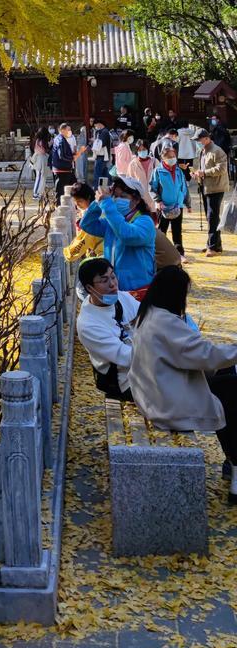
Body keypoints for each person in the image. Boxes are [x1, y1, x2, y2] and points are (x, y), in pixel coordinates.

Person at [130, 266, 237, 501]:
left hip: (152, 392)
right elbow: (204, 354)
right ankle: (235, 463)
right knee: (232, 392)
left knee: (227, 382)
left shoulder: (148, 313)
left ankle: (232, 461)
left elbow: (195, 354)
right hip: (167, 403)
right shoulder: (166, 323)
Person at [80, 174, 156, 300]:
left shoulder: (145, 222)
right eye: (115, 196)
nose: (117, 200)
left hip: (139, 290)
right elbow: (87, 224)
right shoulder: (113, 222)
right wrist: (99, 202)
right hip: (115, 289)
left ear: (136, 200)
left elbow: (127, 235)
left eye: (123, 197)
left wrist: (107, 205)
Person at [76, 257, 139, 400]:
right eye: (104, 280)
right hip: (126, 381)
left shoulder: (122, 298)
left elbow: (148, 317)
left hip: (145, 365)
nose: (112, 284)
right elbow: (126, 357)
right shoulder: (88, 324)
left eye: (113, 277)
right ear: (89, 288)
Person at [191, 128, 229, 256]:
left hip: (216, 187)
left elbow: (222, 168)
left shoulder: (217, 150)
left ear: (207, 138)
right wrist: (196, 173)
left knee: (212, 216)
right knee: (211, 216)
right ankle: (215, 245)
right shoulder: (203, 150)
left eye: (199, 140)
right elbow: (202, 168)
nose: (198, 142)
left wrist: (204, 173)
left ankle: (212, 246)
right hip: (206, 187)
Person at [150, 141, 190, 259]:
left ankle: (179, 253)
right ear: (163, 158)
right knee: (162, 231)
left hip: (178, 205)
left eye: (174, 156)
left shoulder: (178, 171)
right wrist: (158, 201)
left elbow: (183, 187)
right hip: (164, 207)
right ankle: (160, 253)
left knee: (177, 231)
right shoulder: (158, 171)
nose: (172, 159)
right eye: (169, 157)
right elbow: (152, 188)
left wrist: (187, 203)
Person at [63, 183, 104, 262]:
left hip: (102, 254)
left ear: (88, 198)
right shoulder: (95, 208)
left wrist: (68, 254)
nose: (77, 204)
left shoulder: (92, 216)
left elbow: (83, 240)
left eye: (80, 201)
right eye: (75, 201)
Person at [50, 122, 78, 199]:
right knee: (61, 190)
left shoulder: (59, 139)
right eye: (67, 130)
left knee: (73, 187)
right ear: (62, 130)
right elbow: (61, 155)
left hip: (64, 168)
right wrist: (71, 158)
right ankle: (59, 206)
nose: (69, 132)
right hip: (62, 168)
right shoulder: (61, 140)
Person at [91, 120, 111, 189]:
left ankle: (97, 189)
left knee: (98, 174)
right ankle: (105, 188)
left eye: (95, 125)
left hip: (101, 156)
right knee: (104, 174)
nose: (95, 127)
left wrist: (94, 142)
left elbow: (101, 144)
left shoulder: (104, 132)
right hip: (103, 156)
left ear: (99, 124)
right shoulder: (103, 131)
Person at [31, 127, 50, 199]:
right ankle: (36, 193)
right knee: (39, 177)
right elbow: (44, 150)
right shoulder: (41, 141)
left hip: (40, 158)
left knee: (41, 177)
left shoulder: (37, 140)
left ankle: (39, 193)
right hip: (40, 158)